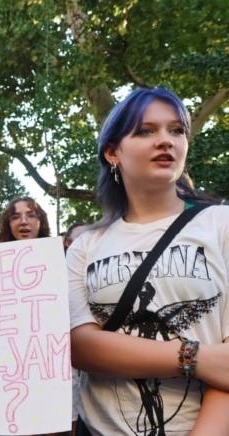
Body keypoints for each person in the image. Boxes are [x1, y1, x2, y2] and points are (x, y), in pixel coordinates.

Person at [68, 87, 229, 434]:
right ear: (112, 152)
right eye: (146, 131)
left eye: (176, 130)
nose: (165, 141)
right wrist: (195, 358)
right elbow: (79, 345)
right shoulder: (85, 246)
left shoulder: (221, 225)